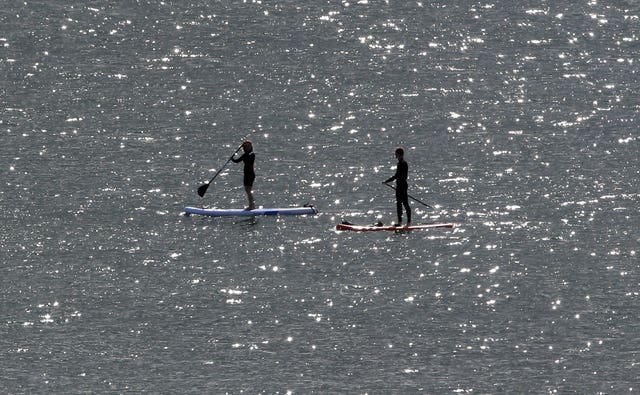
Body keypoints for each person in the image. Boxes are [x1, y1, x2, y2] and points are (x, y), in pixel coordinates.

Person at [384, 147, 411, 227]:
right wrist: (387, 181)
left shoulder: (404, 163)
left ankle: (409, 223)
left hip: (403, 186)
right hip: (398, 186)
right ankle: (399, 222)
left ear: (399, 154)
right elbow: (396, 175)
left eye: (396, 154)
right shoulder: (399, 164)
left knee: (405, 204)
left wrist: (399, 181)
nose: (395, 155)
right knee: (399, 204)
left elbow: (403, 176)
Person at [231, 140, 256, 210]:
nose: (247, 147)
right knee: (247, 190)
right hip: (246, 174)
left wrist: (244, 147)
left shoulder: (252, 154)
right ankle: (252, 206)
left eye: (248, 146)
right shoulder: (244, 155)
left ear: (251, 147)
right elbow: (237, 161)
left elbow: (248, 158)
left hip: (250, 174)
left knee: (248, 190)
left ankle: (252, 206)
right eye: (246, 146)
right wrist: (232, 158)